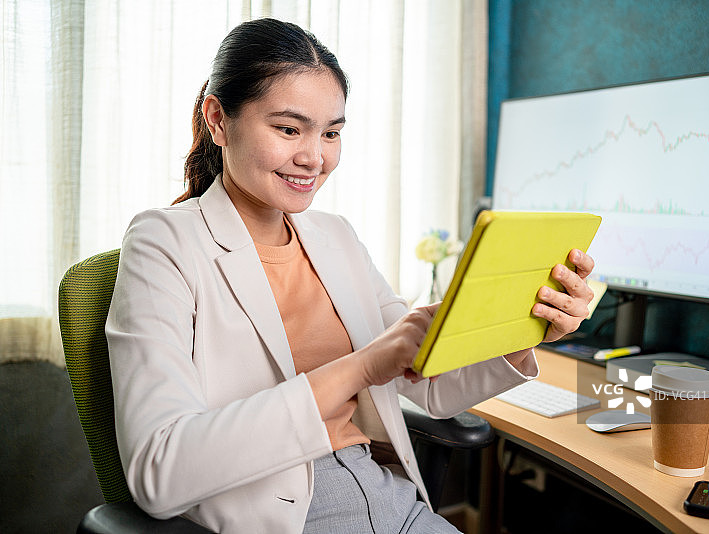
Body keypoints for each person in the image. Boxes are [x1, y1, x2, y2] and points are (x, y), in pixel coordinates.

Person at [106, 17, 595, 534]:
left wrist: (525, 326)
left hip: (391, 498)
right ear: (218, 120)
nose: (314, 158)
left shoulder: (335, 237)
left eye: (331, 133)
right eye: (288, 129)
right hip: (279, 515)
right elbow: (159, 472)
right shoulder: (164, 242)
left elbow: (432, 388)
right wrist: (361, 367)